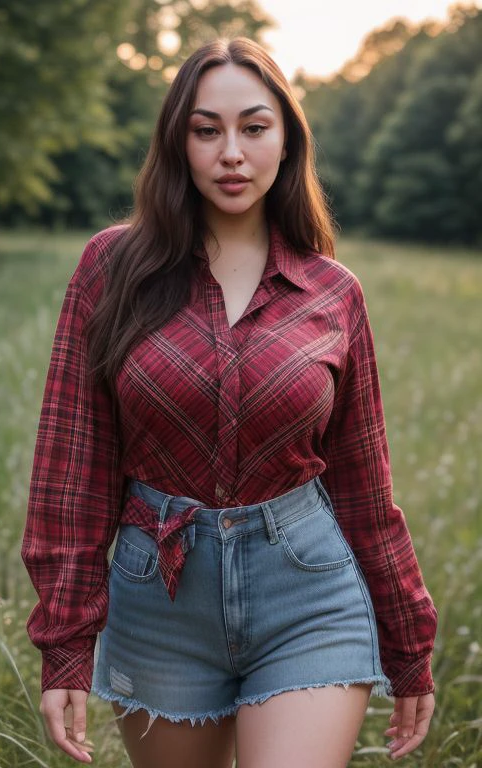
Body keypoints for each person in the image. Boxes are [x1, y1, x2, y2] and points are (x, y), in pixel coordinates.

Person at [21, 36, 437, 768]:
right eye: (206, 130)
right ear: (178, 144)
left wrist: (409, 642)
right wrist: (64, 642)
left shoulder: (333, 293)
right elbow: (72, 466)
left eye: (253, 127)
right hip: (160, 598)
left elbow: (365, 485)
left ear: (286, 140)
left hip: (307, 593)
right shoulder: (110, 270)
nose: (232, 153)